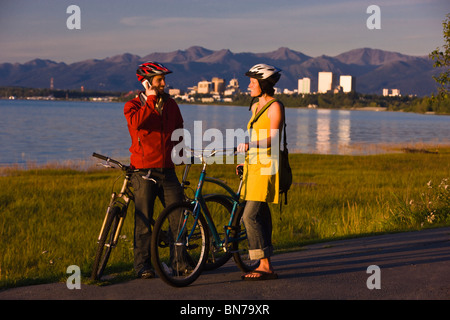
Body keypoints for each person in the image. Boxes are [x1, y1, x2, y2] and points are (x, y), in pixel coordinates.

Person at [124, 61, 184, 278]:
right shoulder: (132, 106)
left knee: (178, 216)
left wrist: (179, 152)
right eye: (159, 80)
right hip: (143, 171)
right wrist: (150, 100)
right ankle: (143, 266)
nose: (164, 84)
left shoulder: (171, 104)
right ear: (147, 82)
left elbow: (179, 128)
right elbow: (137, 124)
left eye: (163, 80)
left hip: (168, 170)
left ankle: (180, 263)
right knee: (143, 221)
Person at [237, 64, 284, 281]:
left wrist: (251, 144)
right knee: (261, 215)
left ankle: (263, 264)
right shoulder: (256, 106)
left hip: (266, 166)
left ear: (263, 84)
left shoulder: (275, 106)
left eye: (253, 83)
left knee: (250, 215)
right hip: (253, 166)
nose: (249, 86)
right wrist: (244, 162)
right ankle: (267, 264)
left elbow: (273, 138)